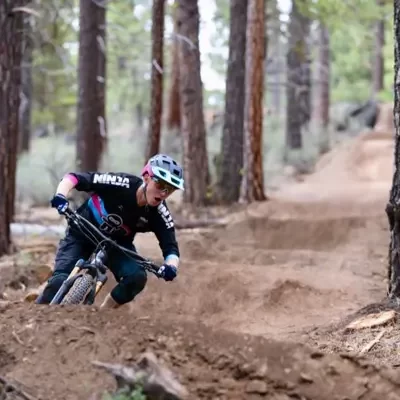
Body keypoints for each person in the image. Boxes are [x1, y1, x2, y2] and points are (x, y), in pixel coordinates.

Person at [36, 153, 184, 309]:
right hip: (83, 231)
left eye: (170, 189)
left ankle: (105, 313)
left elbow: (171, 248)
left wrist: (171, 267)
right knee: (59, 282)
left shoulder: (160, 214)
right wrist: (60, 196)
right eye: (160, 185)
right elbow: (74, 178)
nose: (164, 193)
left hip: (116, 244)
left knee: (136, 277)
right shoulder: (122, 183)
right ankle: (37, 313)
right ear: (146, 178)